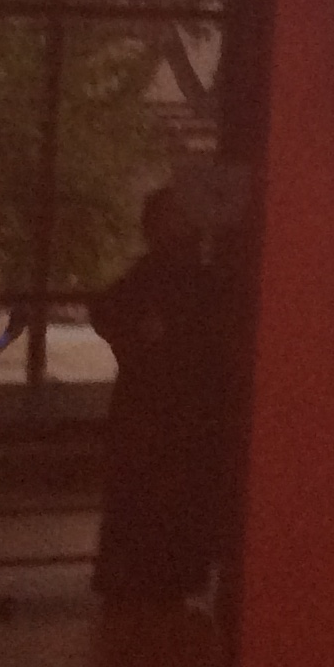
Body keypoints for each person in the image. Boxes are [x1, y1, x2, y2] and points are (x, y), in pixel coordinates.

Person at [89, 186, 240, 602]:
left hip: (160, 407)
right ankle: (167, 576)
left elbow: (105, 309)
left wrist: (139, 342)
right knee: (165, 496)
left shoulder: (162, 275)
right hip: (174, 408)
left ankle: (147, 577)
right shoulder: (185, 276)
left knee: (152, 497)